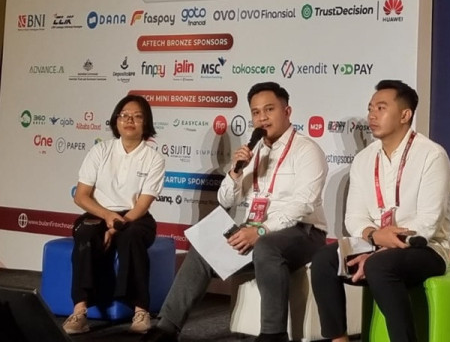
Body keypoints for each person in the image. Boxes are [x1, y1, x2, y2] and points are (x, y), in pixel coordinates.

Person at [142, 82, 328, 342]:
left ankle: (273, 335)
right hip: (255, 230)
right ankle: (166, 328)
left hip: (303, 233)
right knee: (204, 246)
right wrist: (236, 171)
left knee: (267, 247)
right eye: (256, 112)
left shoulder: (307, 150)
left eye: (269, 109)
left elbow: (304, 204)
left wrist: (261, 231)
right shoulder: (253, 151)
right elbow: (225, 200)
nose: (262, 118)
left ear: (287, 112)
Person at [310, 80, 450, 342]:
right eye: (370, 108)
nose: (372, 115)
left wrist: (382, 249)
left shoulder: (432, 155)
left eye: (381, 108)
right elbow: (354, 217)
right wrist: (374, 237)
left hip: (425, 248)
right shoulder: (364, 158)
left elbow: (429, 223)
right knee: (325, 259)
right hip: (374, 243)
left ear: (405, 115)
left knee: (380, 265)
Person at [63, 94, 166, 335]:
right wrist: (107, 216)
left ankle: (141, 310)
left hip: (134, 217)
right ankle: (80, 311)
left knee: (131, 236)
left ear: (146, 123)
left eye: (137, 116)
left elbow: (142, 204)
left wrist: (117, 224)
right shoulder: (100, 150)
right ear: (116, 120)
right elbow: (81, 196)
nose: (130, 120)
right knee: (86, 235)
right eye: (124, 115)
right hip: (100, 213)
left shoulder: (154, 158)